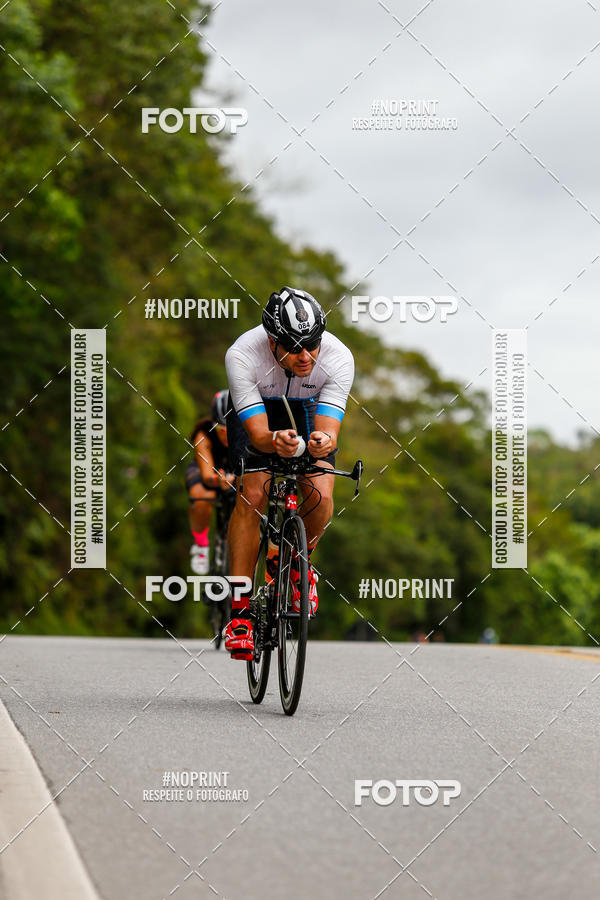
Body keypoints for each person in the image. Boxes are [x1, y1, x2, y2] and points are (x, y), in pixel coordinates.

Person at [223, 286, 355, 659]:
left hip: (309, 407)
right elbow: (259, 435)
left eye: (312, 344)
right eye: (294, 347)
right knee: (253, 495)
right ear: (270, 340)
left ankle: (297, 563)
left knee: (321, 494)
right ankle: (239, 613)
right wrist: (273, 440)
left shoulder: (338, 357)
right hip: (261, 412)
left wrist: (323, 443)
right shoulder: (242, 355)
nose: (305, 355)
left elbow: (329, 431)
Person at [185, 390, 234, 574]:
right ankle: (200, 545)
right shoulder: (203, 434)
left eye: (233, 431)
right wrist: (217, 480)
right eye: (222, 430)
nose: (227, 436)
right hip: (208, 470)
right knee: (201, 496)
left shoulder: (250, 430)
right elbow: (206, 476)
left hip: (236, 472)